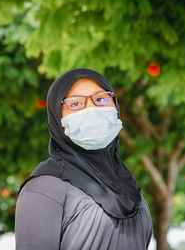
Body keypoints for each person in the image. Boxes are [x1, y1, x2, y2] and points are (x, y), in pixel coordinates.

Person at [15, 68, 152, 250]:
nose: (92, 109)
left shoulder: (127, 185)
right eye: (76, 104)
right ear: (57, 117)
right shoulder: (43, 188)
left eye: (101, 99)